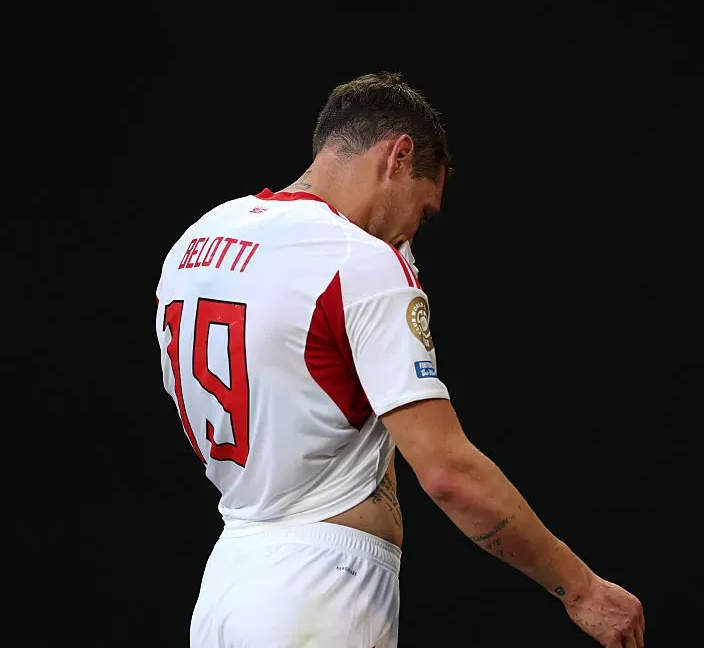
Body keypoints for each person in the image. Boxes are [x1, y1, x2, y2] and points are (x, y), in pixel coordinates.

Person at [154, 71, 645, 648]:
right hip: (321, 591)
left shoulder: (196, 241)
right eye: (425, 209)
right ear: (399, 155)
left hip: (227, 583)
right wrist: (581, 589)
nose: (416, 229)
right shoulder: (361, 260)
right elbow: (447, 474)